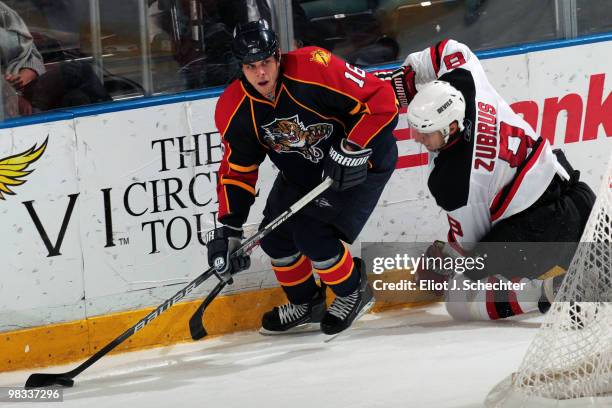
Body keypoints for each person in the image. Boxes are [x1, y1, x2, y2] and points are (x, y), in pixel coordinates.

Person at [375, 39, 595, 321]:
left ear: (451, 127)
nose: (416, 138)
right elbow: (450, 50)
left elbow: (474, 251)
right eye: (414, 128)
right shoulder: (467, 83)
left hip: (545, 231)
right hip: (577, 194)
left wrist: (445, 262)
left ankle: (549, 292)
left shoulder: (453, 183)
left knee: (458, 299)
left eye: (425, 133)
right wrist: (410, 74)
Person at [206, 19, 398, 335]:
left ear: (278, 56)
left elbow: (382, 99)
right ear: (241, 67)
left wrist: (353, 145)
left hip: (362, 162)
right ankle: (308, 303)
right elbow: (238, 170)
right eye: (251, 66)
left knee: (312, 234)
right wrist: (230, 227)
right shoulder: (233, 108)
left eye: (266, 62)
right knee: (274, 235)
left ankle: (354, 291)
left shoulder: (314, 66)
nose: (261, 74)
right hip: (302, 172)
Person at [0, 0, 46, 116]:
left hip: (24, 84)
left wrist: (20, 79)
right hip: (6, 96)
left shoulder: (4, 11)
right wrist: (11, 94)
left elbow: (33, 56)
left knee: (78, 92)